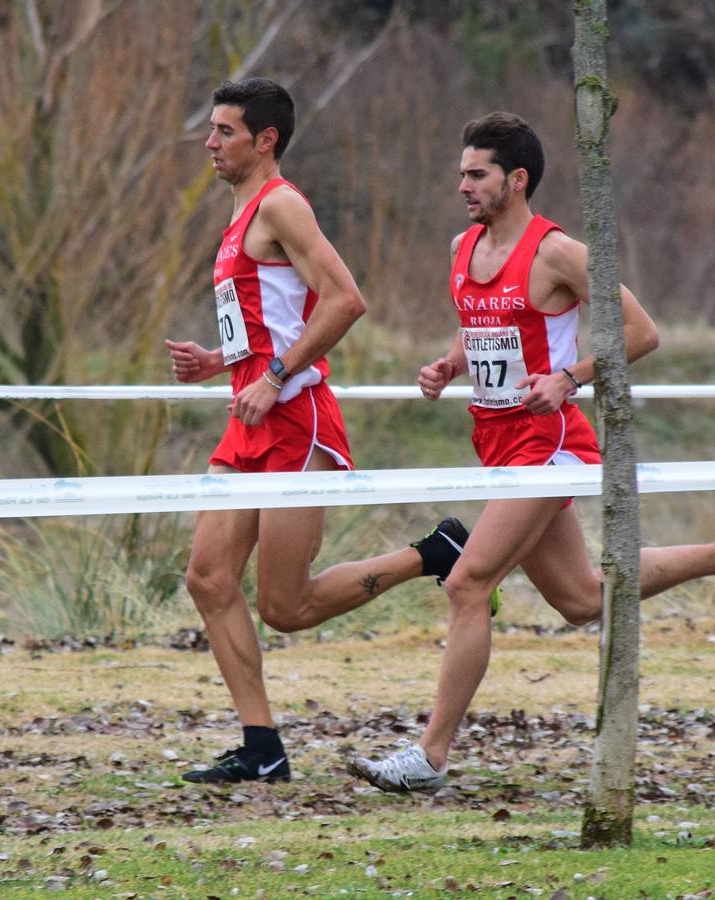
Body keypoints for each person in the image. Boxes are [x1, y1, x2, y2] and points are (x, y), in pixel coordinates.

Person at [347, 112, 715, 794]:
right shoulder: (462, 247)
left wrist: (570, 378)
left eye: (477, 174)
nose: (463, 185)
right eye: (461, 174)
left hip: (550, 444)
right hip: (497, 442)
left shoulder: (556, 252)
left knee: (470, 583)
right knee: (581, 598)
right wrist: (446, 366)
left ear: (516, 179)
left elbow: (642, 332)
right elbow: (481, 327)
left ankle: (430, 757)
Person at [164, 78, 472, 785]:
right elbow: (275, 316)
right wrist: (223, 363)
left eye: (224, 132)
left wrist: (272, 376)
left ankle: (434, 552)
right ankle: (262, 748)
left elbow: (346, 301)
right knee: (209, 578)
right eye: (211, 130)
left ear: (265, 140)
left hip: (294, 421)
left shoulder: (281, 205)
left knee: (287, 606)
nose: (209, 143)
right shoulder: (241, 216)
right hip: (247, 419)